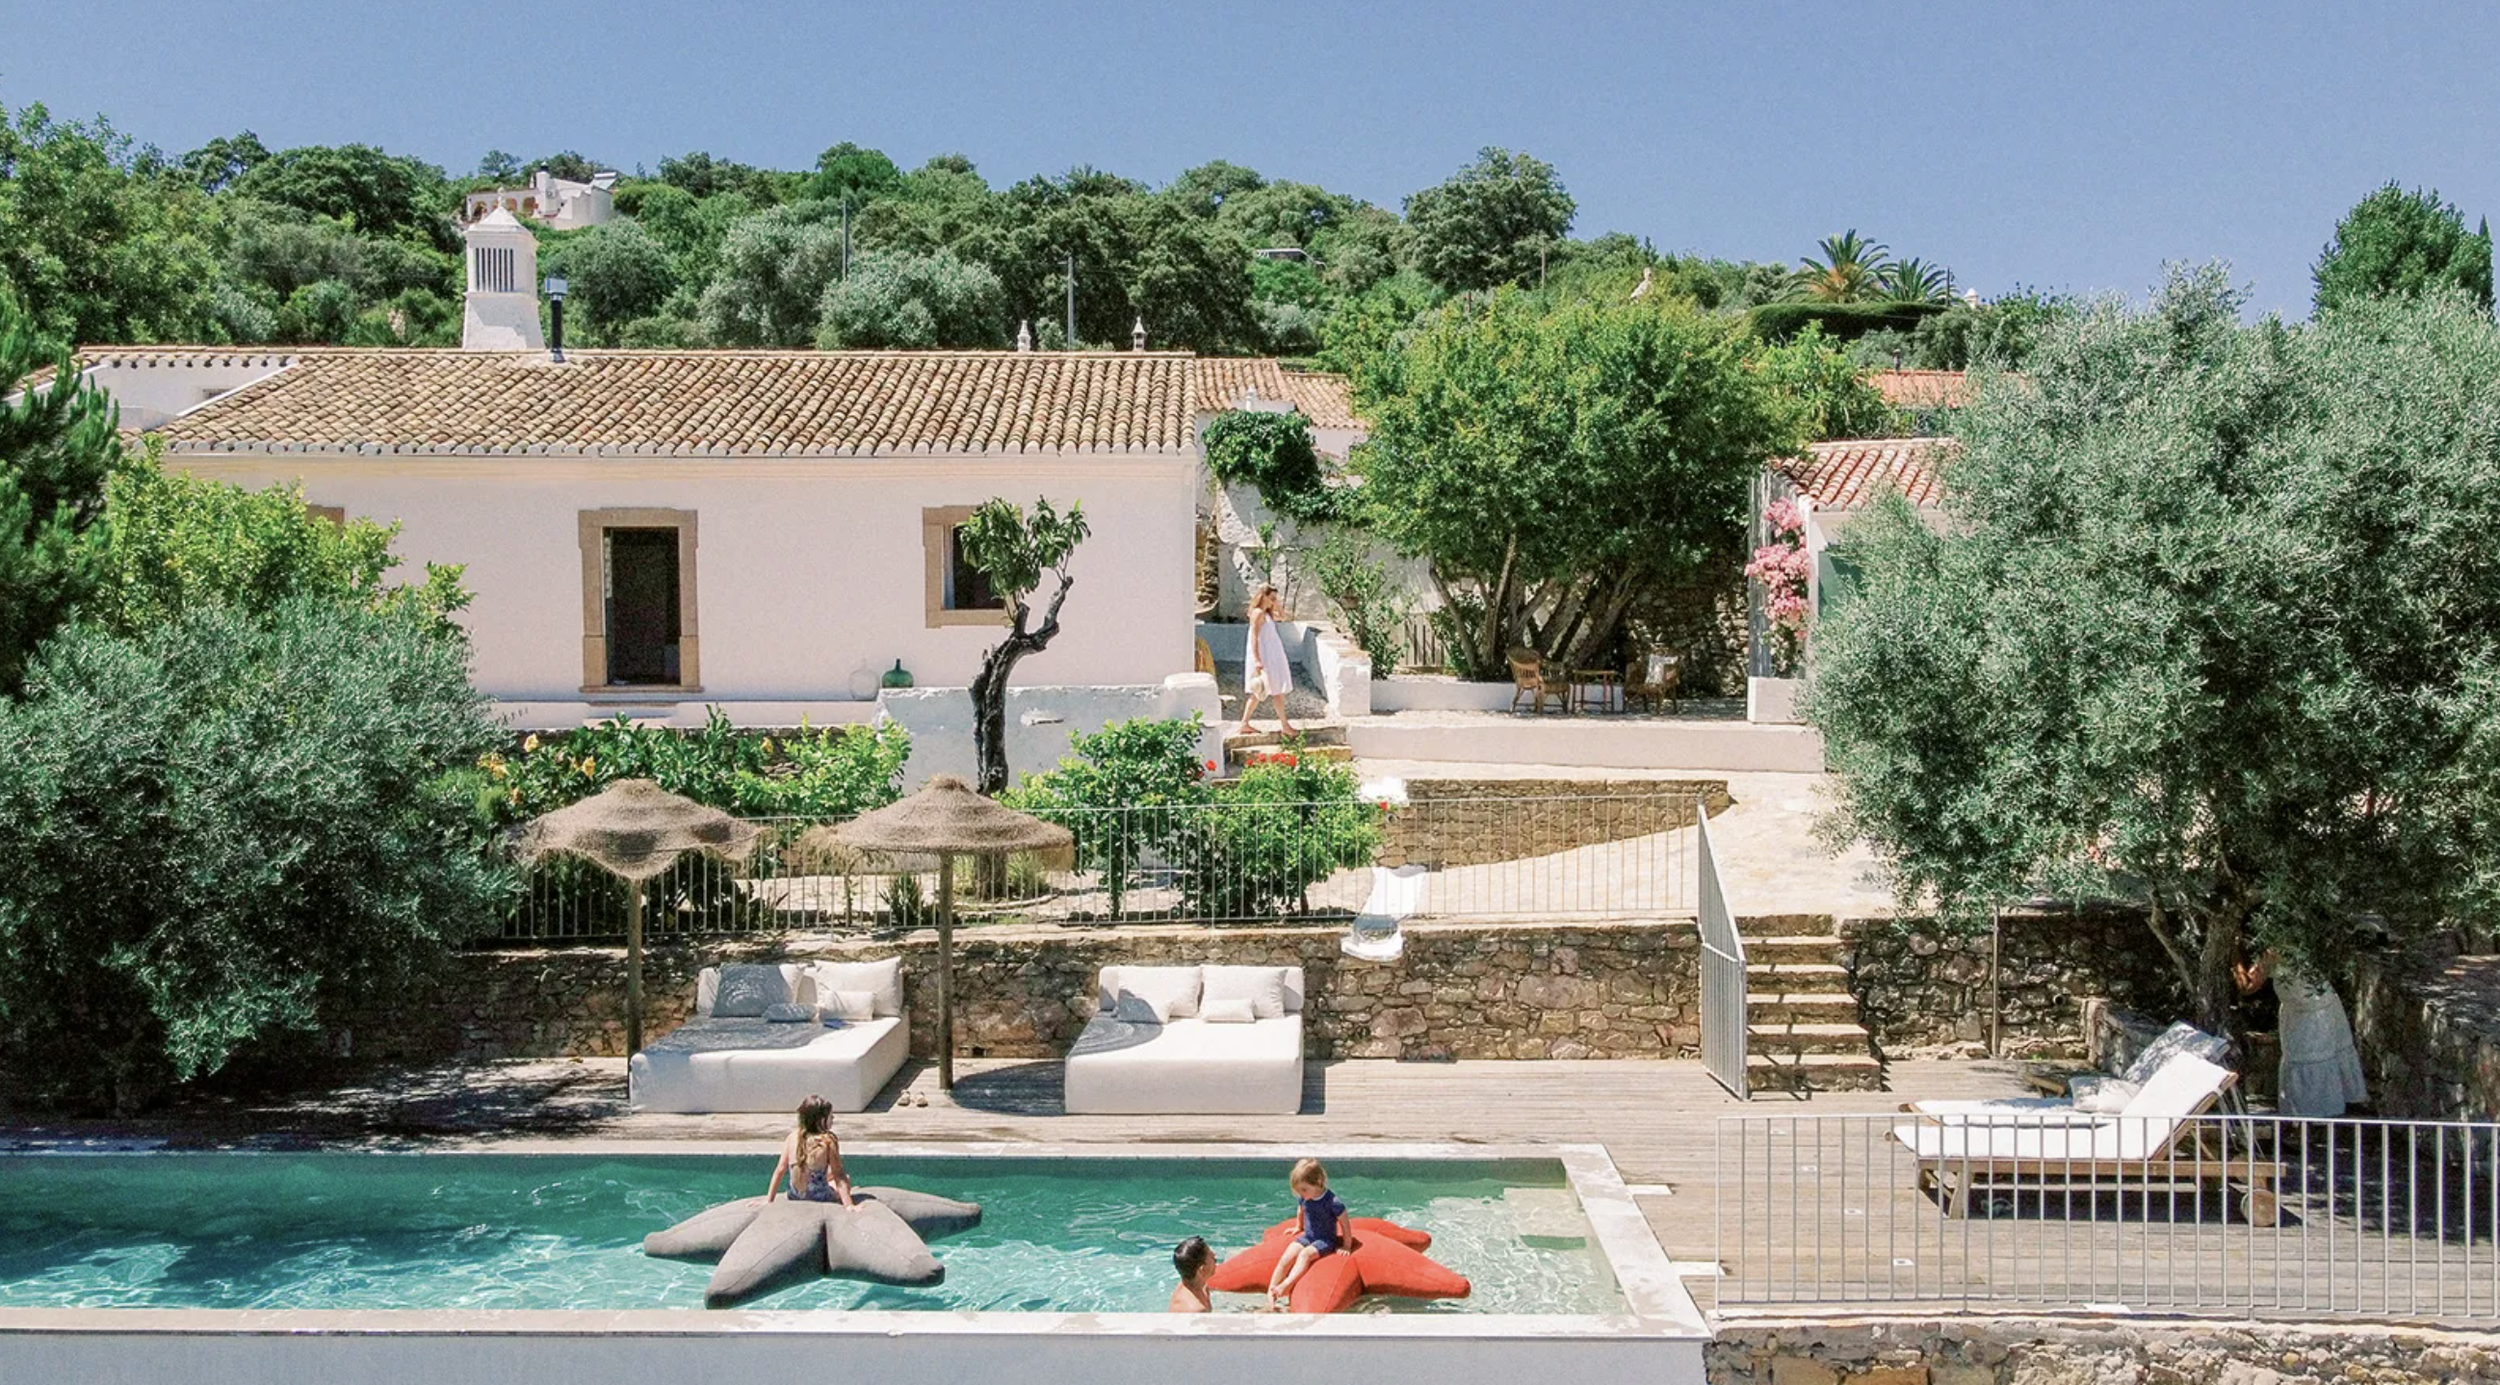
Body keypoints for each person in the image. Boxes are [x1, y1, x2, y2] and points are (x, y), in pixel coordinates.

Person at [2235, 949, 2369, 1118]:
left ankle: (2315, 1119)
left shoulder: (2273, 950)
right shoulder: (2288, 942)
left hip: (2310, 1016)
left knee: (2308, 1062)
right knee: (2314, 1064)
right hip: (2315, 1007)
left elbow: (2247, 987)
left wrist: (2235, 957)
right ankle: (2320, 1117)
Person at [1266, 1158, 1346, 1307]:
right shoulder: (1305, 1198)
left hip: (1325, 1240)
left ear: (1318, 1182)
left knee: (1304, 1255)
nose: (1301, 1195)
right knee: (1287, 1256)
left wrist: (1346, 1245)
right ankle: (1271, 1291)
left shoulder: (1332, 1201)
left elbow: (1345, 1223)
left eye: (1304, 1190)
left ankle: (1287, 1284)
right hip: (1308, 1236)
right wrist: (1298, 1226)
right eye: (1298, 1191)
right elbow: (1301, 1210)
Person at [765, 1094, 856, 1207]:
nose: (833, 1118)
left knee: (825, 1174)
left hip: (794, 1195)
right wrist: (849, 1205)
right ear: (821, 1120)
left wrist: (769, 1200)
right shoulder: (828, 1140)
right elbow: (838, 1174)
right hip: (819, 1197)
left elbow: (780, 1169)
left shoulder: (792, 1136)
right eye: (830, 1116)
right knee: (846, 1178)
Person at [1236, 584, 1297, 736]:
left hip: (1272, 655)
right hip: (1265, 656)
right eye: (1271, 598)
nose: (1273, 601)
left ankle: (1247, 723)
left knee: (1271, 691)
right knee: (1262, 689)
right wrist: (1257, 660)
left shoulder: (1267, 613)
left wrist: (1277, 605)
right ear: (1263, 596)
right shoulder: (1257, 613)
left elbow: (1283, 617)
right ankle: (1284, 726)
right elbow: (1254, 637)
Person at [1169, 1235, 1215, 1312]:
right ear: (1202, 1269)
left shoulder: (1191, 1283)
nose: (1214, 1254)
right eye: (1212, 1257)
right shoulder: (1197, 1310)